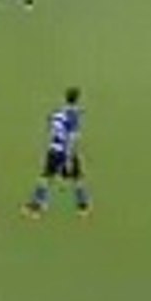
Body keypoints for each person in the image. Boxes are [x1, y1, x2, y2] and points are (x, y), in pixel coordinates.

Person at [22, 86, 89, 218]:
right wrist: (68, 159)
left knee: (46, 177)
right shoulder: (75, 117)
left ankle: (37, 205)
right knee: (77, 178)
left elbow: (52, 126)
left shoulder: (57, 113)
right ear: (77, 99)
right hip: (66, 151)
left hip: (53, 149)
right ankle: (83, 206)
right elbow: (71, 138)